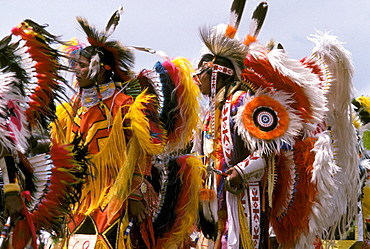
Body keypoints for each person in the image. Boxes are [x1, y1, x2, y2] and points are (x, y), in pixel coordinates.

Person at [193, 2, 359, 248]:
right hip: (216, 199)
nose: (198, 80)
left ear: (217, 72)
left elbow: (270, 150)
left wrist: (240, 171)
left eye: (202, 74)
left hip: (245, 199)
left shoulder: (242, 102)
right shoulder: (212, 111)